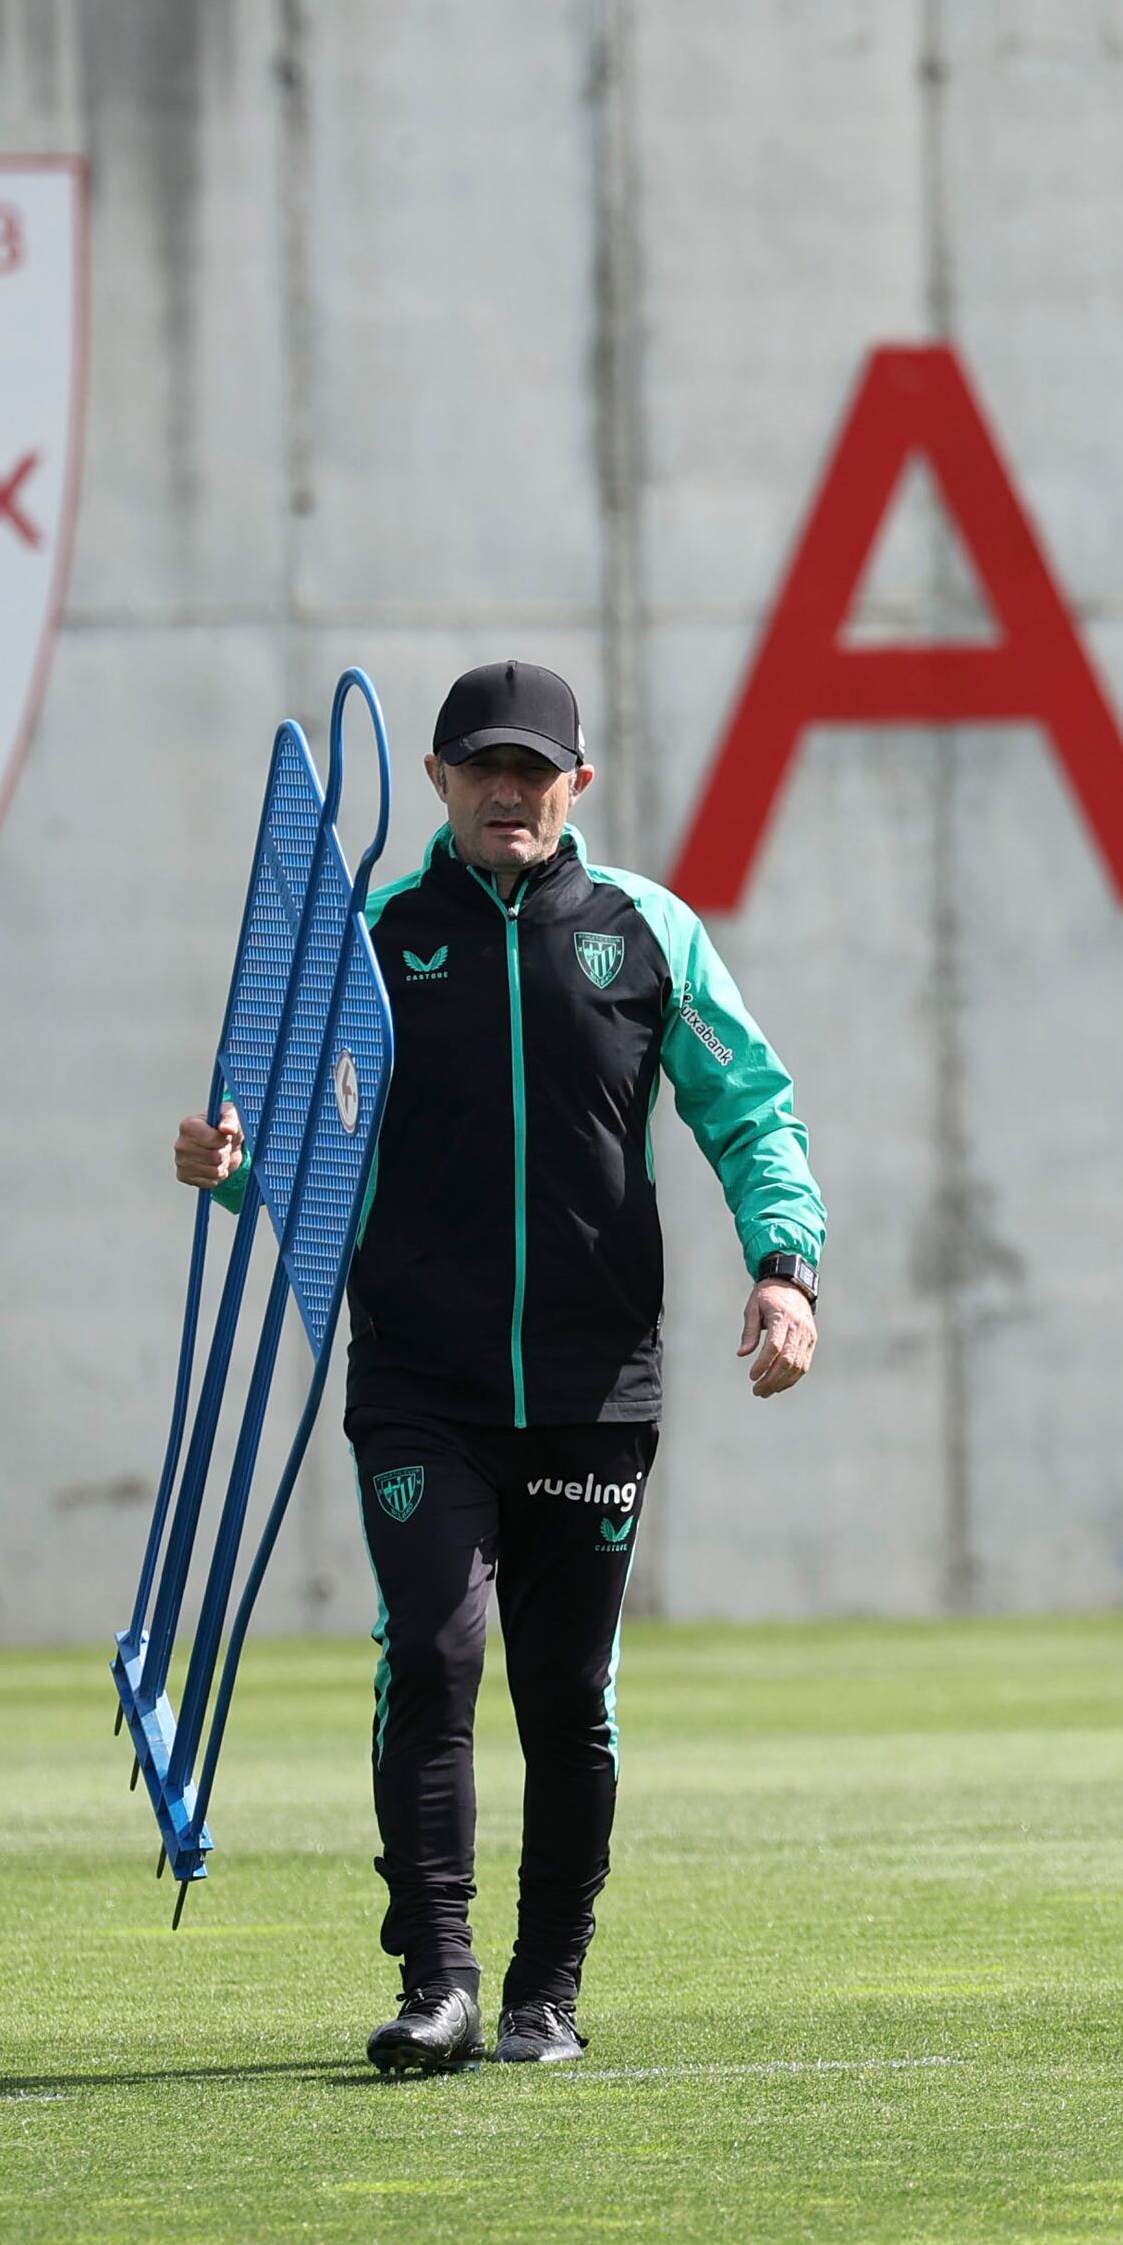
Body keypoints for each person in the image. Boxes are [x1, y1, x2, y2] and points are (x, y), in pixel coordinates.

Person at [173, 659, 820, 2075]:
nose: (508, 790)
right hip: (420, 1385)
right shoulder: (375, 935)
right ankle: (442, 1977)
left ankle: (546, 1988)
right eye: (482, 767)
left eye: (535, 769)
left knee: (567, 1692)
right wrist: (220, 1163)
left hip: (596, 1389)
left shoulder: (647, 935)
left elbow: (750, 1105)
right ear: (440, 781)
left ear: (577, 784)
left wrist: (785, 1265)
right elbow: (275, 1126)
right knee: (437, 1651)